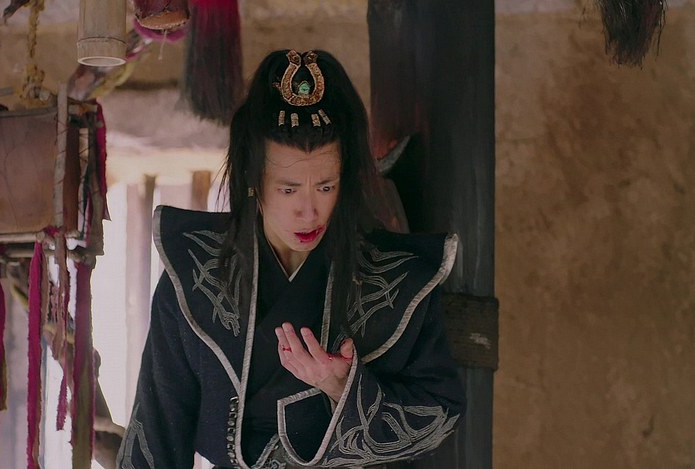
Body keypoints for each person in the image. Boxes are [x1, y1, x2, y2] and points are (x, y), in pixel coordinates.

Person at [117, 49, 465, 469]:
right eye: (288, 189)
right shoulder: (193, 268)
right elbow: (156, 429)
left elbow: (439, 417)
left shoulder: (395, 278)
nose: (309, 211)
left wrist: (344, 388)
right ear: (253, 180)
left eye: (325, 187)